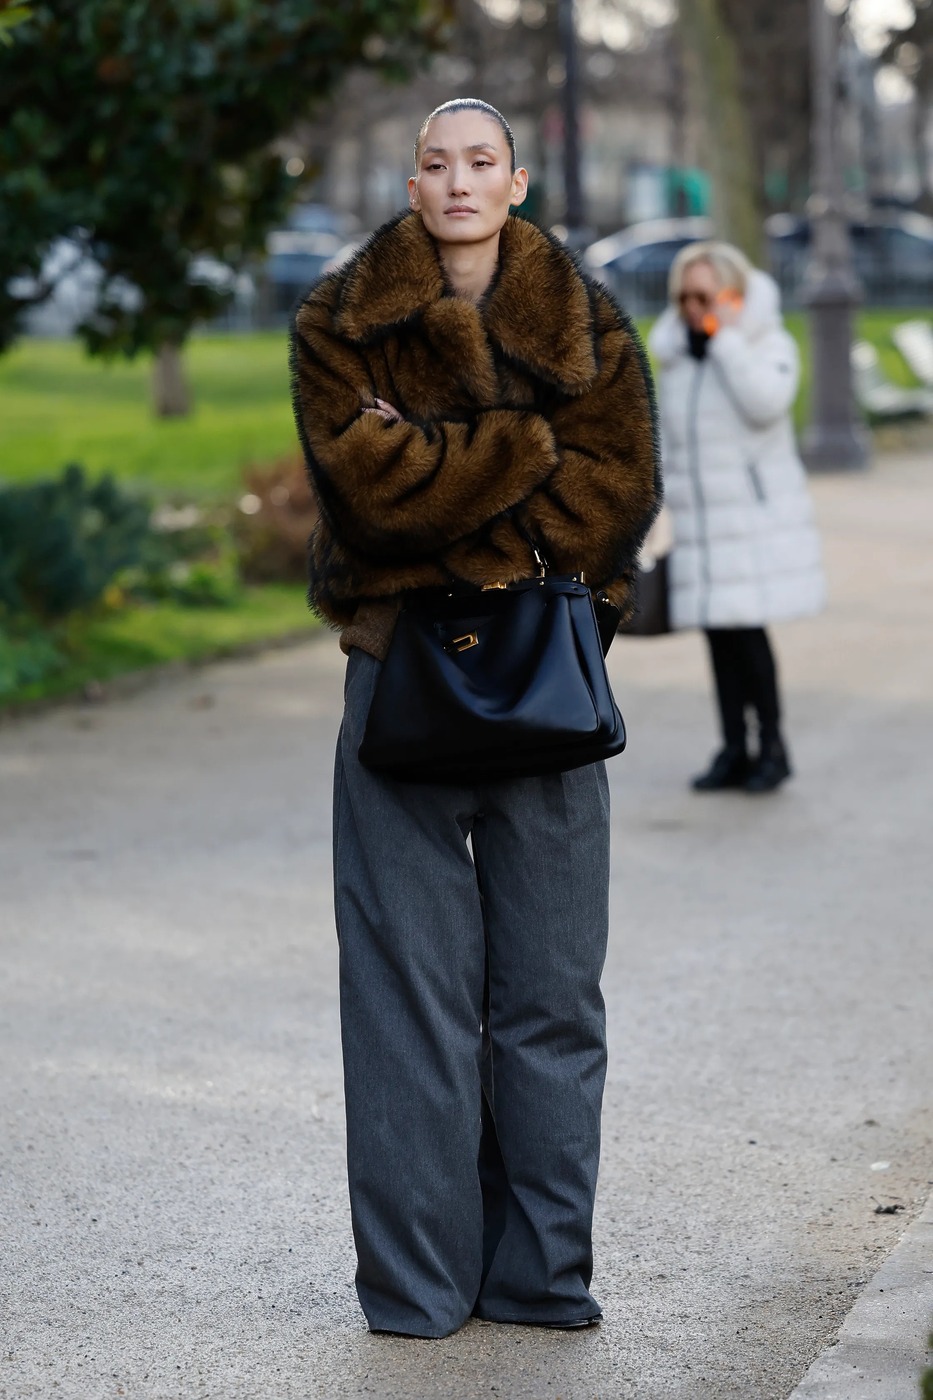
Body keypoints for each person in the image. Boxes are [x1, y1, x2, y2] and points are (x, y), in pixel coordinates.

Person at [290, 99, 660, 1338]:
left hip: (550, 680)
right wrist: (525, 450)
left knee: (555, 992)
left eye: (482, 161)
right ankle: (416, 1286)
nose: (460, 181)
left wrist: (441, 453)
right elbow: (368, 496)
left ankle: (540, 1273)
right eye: (438, 162)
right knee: (404, 994)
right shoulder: (338, 320)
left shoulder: (591, 317)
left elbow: (615, 500)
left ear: (516, 178)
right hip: (397, 674)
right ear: (412, 181)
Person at [647, 241, 825, 793]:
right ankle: (732, 748)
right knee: (718, 641)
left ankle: (773, 747)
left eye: (705, 295)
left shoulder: (764, 344)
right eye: (684, 297)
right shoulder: (678, 359)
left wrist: (725, 341)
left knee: (747, 636)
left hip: (751, 521)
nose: (693, 308)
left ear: (734, 295)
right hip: (701, 522)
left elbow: (768, 402)